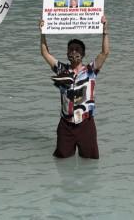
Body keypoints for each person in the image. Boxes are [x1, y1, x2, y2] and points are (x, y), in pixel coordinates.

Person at [39, 16, 109, 159]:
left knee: (89, 161)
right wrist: (42, 31)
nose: (74, 52)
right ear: (67, 53)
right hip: (66, 125)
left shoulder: (90, 70)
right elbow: (45, 53)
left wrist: (105, 30)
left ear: (83, 54)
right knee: (62, 160)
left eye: (77, 50)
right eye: (71, 50)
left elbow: (105, 53)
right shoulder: (61, 70)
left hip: (86, 124)